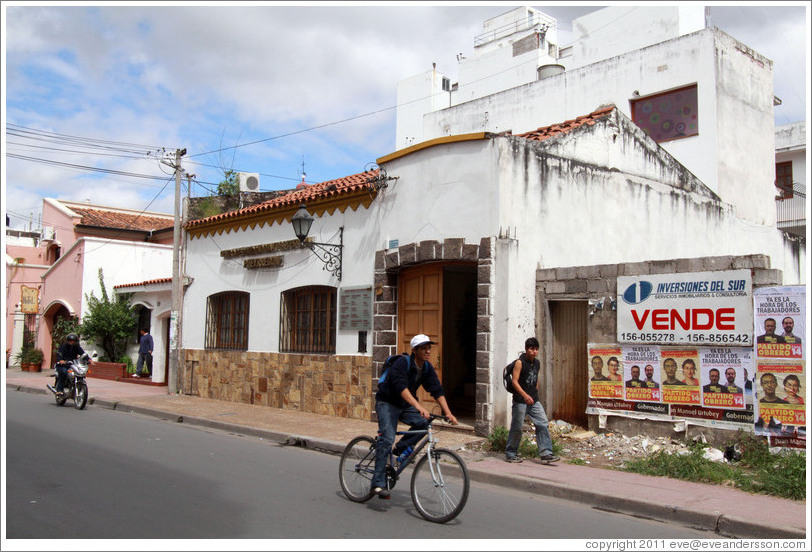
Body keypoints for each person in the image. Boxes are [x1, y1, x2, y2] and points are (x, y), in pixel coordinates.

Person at [371, 334, 458, 499]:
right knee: (387, 438)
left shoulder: (426, 367)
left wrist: (448, 413)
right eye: (423, 348)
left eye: (428, 348)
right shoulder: (402, 363)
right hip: (387, 403)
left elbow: (437, 390)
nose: (427, 351)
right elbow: (401, 387)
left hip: (404, 405)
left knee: (425, 424)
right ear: (414, 350)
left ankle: (400, 449)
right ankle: (377, 482)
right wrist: (418, 406)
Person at [505, 337, 559, 465]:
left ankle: (546, 453)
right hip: (520, 401)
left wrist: (534, 393)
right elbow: (515, 382)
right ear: (526, 349)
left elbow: (535, 379)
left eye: (536, 349)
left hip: (534, 400)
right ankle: (511, 453)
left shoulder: (537, 363)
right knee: (517, 427)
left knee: (543, 423)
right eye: (531, 349)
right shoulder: (520, 362)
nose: (534, 352)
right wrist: (524, 395)